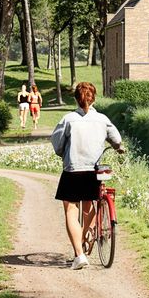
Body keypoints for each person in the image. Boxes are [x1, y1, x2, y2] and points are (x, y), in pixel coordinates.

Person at [51, 81, 123, 270]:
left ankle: (79, 255)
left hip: (73, 170)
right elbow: (117, 140)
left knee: (70, 210)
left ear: (76, 98)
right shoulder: (102, 119)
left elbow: (57, 145)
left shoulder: (68, 119)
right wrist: (118, 147)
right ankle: (84, 238)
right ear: (94, 98)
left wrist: (64, 153)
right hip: (94, 170)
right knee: (89, 204)